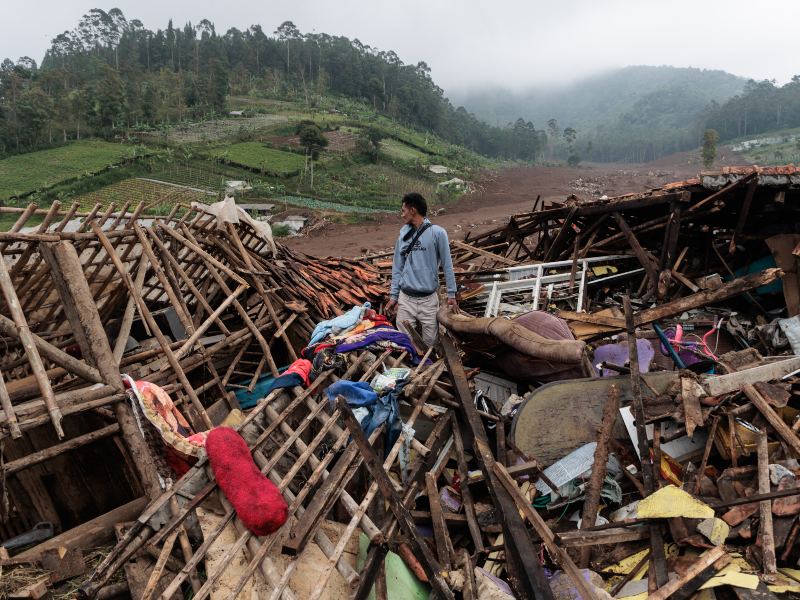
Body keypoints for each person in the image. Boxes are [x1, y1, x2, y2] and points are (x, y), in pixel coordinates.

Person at [386, 192, 457, 348]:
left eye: (403, 210)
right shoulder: (403, 236)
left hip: (428, 300)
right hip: (406, 299)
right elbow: (397, 267)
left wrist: (451, 293)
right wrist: (394, 295)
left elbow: (447, 264)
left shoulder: (438, 233)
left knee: (431, 343)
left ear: (413, 210)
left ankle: (428, 370)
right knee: (405, 343)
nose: (401, 214)